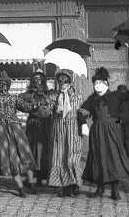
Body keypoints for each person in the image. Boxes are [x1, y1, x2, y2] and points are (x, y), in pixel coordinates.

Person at [79, 67, 129, 200]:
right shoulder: (92, 99)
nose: (97, 86)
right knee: (99, 157)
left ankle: (115, 190)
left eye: (100, 83)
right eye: (95, 84)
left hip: (113, 132)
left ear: (106, 83)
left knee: (113, 158)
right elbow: (82, 110)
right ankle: (100, 189)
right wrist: (83, 123)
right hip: (97, 132)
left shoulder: (115, 95)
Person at [0, 71, 37, 197]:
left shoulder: (14, 98)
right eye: (0, 84)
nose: (3, 86)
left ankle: (30, 182)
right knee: (11, 157)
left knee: (25, 153)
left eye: (5, 84)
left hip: (15, 128)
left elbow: (26, 107)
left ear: (8, 86)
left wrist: (35, 105)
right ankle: (20, 187)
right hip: (1, 130)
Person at [47, 69, 84, 197]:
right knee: (60, 156)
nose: (63, 82)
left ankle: (75, 184)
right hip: (59, 128)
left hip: (73, 129)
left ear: (70, 81)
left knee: (72, 156)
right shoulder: (53, 96)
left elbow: (82, 112)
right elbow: (48, 111)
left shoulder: (77, 95)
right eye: (60, 80)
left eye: (65, 80)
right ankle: (63, 185)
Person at [19, 69, 53, 185]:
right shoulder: (28, 94)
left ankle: (41, 178)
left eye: (40, 79)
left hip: (45, 125)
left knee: (44, 150)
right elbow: (20, 103)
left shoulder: (48, 93)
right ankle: (30, 179)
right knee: (32, 150)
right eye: (35, 79)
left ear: (43, 81)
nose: (38, 81)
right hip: (33, 125)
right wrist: (31, 106)